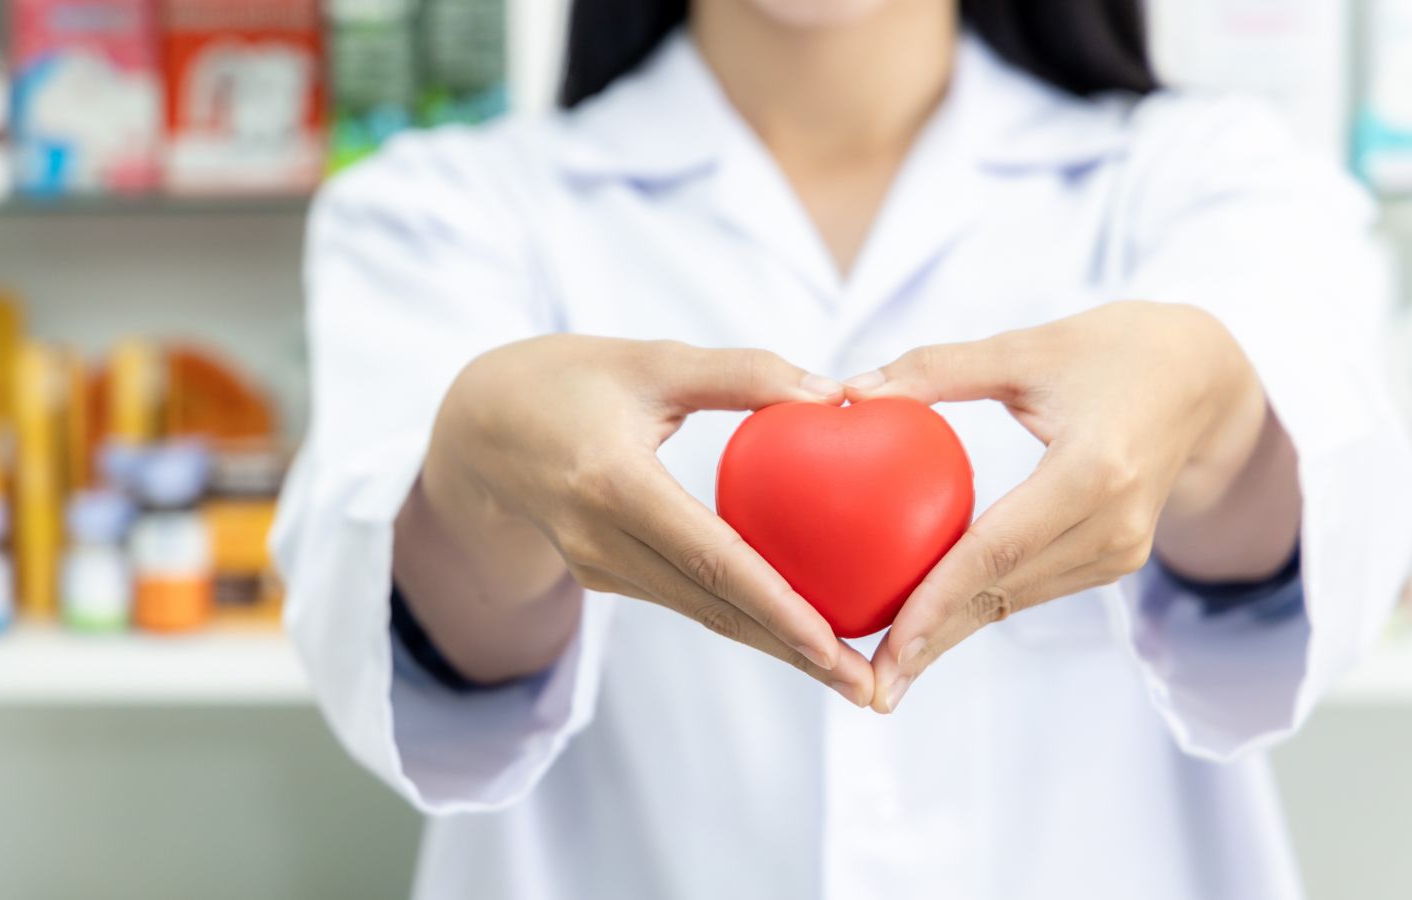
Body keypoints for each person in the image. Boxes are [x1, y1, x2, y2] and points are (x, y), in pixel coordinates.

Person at [273, 0, 1412, 896]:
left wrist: (1207, 415)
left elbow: (1309, 556)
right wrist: (484, 480)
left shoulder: (1219, 180)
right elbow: (417, 661)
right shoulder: (441, 214)